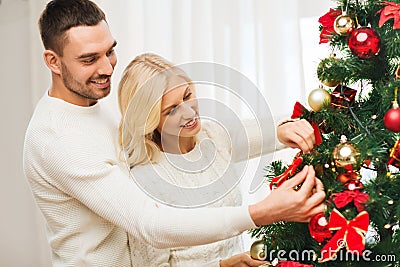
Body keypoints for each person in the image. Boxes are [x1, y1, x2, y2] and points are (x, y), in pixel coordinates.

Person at [22, 0, 325, 266]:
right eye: (89, 59)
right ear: (53, 61)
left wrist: (282, 128)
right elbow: (150, 224)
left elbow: (216, 138)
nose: (108, 68)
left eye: (110, 51)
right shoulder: (58, 139)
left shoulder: (93, 102)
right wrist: (260, 213)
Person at [117, 52, 317, 267]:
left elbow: (260, 132)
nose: (189, 112)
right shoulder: (145, 180)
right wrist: (222, 266)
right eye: (172, 110)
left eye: (187, 96)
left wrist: (286, 129)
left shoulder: (213, 136)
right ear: (149, 120)